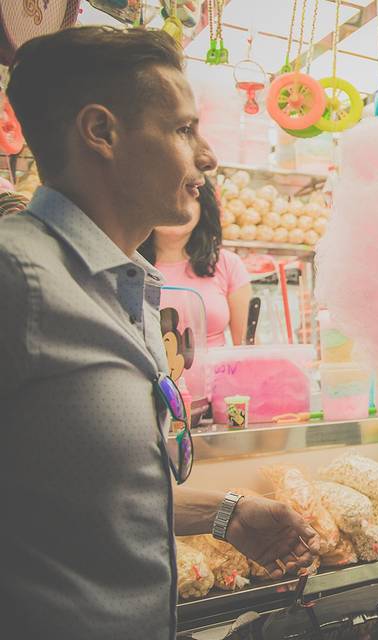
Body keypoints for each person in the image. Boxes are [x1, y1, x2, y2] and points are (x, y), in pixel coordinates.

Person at [0, 27, 320, 639]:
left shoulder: (132, 287)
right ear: (101, 132)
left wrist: (224, 514)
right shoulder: (18, 278)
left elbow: (91, 496)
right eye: (182, 129)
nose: (208, 155)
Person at [140, 175, 252, 347]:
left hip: (216, 374)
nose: (177, 207)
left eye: (189, 197)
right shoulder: (126, 265)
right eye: (166, 196)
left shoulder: (228, 264)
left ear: (204, 208)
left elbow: (246, 347)